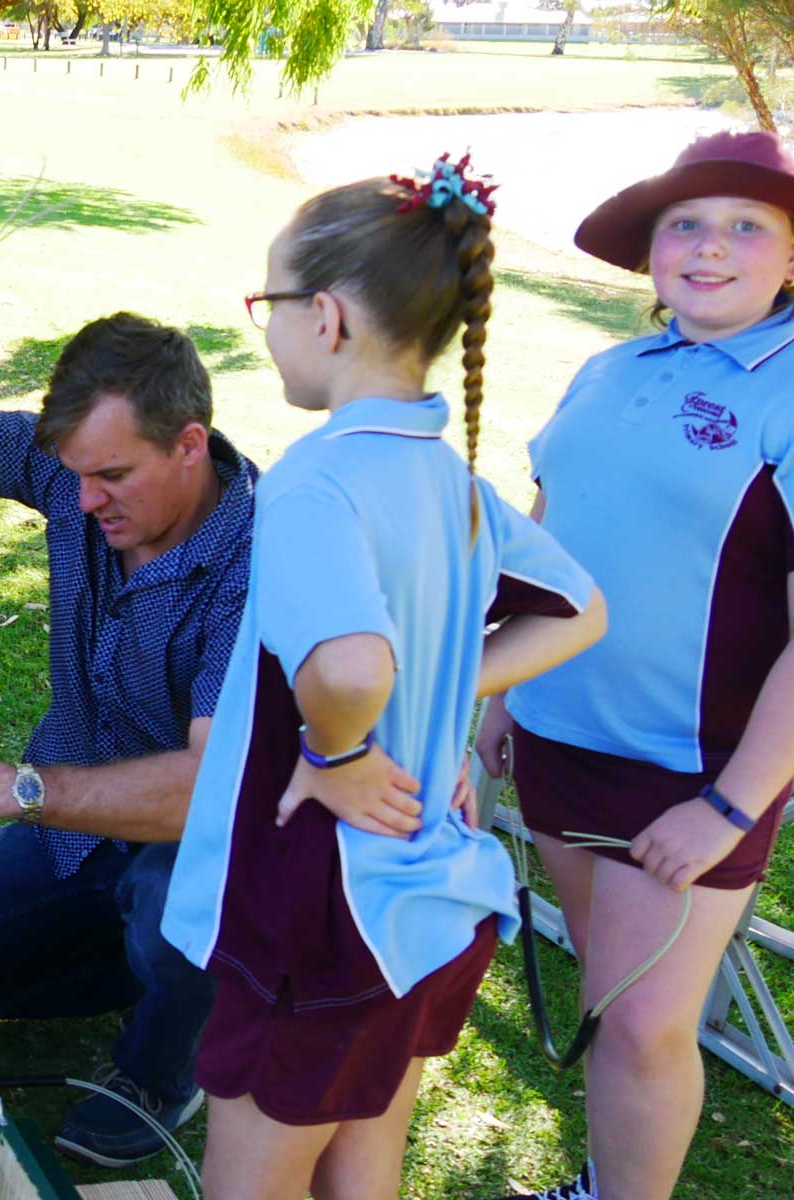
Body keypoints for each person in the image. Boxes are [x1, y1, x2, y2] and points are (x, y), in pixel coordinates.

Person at [156, 156, 607, 1198]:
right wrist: (443, 716)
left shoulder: (316, 480)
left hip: (314, 913)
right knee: (363, 1169)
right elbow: (581, 609)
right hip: (425, 902)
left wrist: (341, 748)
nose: (263, 326)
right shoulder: (447, 478)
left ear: (324, 317)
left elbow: (351, 663)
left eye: (266, 302)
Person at [481, 131, 794, 1200]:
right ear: (651, 249)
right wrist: (506, 682)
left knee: (640, 1022)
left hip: (691, 774)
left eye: (743, 226)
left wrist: (727, 806)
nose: (707, 247)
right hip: (556, 741)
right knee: (605, 998)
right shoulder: (607, 365)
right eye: (684, 223)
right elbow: (550, 530)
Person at [0, 279, 253, 1161]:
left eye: (113, 476)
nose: (84, 501)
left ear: (190, 445)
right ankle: (112, 964)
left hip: (189, 850)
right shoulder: (74, 469)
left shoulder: (256, 565)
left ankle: (162, 1066)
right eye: (74, 475)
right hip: (68, 830)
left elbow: (206, 795)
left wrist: (9, 787)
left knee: (168, 906)